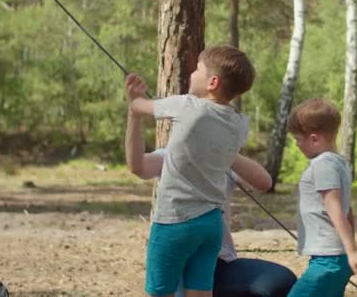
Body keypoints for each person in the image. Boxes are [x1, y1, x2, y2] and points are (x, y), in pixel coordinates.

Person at [125, 66, 297, 297]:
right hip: (183, 255)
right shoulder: (172, 157)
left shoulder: (222, 160)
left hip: (218, 260)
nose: (192, 73)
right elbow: (137, 166)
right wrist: (133, 118)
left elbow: (264, 182)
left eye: (198, 69)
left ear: (213, 82)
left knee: (282, 281)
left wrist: (218, 148)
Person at [285, 98, 357, 297]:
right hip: (334, 256)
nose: (297, 144)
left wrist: (352, 251)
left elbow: (334, 208)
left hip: (328, 260)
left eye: (298, 139)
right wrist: (350, 248)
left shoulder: (323, 165)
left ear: (314, 139)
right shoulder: (340, 163)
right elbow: (347, 209)